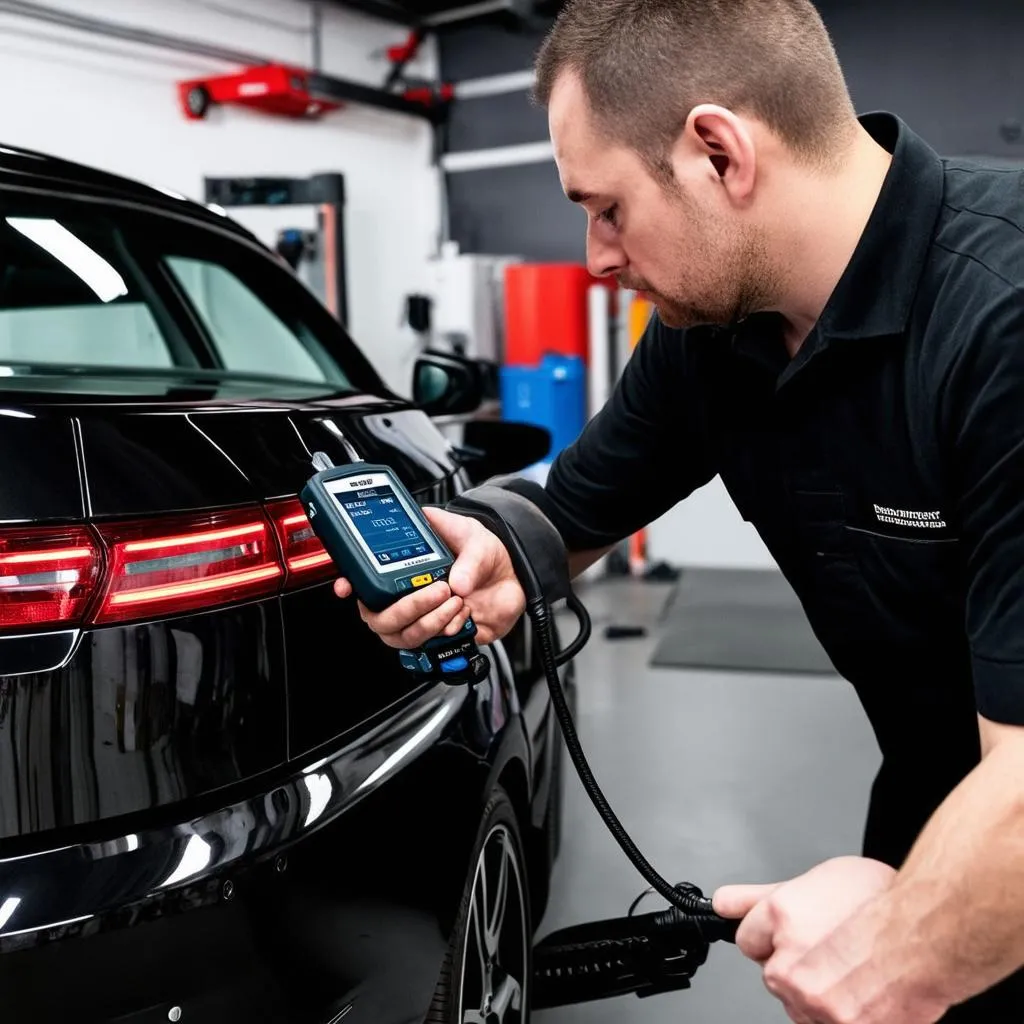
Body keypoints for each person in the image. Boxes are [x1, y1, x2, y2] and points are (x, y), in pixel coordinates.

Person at [334, 1, 1024, 1020]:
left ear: (717, 153)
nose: (594, 256)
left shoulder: (998, 317)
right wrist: (497, 551)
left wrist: (900, 949)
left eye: (606, 207)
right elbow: (572, 506)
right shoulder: (715, 334)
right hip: (934, 805)